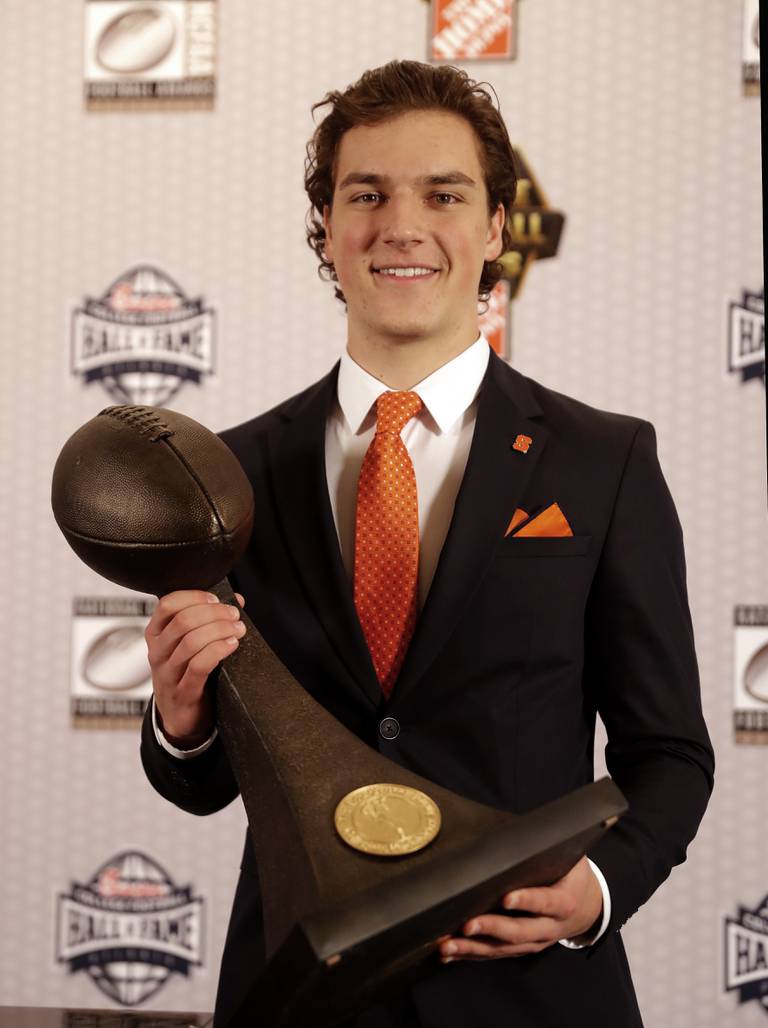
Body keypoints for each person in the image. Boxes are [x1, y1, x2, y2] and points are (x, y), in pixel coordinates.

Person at [140, 60, 714, 1027]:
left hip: (533, 995)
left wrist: (599, 892)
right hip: (297, 994)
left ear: (495, 226)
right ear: (326, 226)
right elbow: (199, 785)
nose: (402, 225)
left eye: (443, 193)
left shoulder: (603, 461)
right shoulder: (226, 474)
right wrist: (181, 720)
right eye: (367, 194)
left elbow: (670, 754)